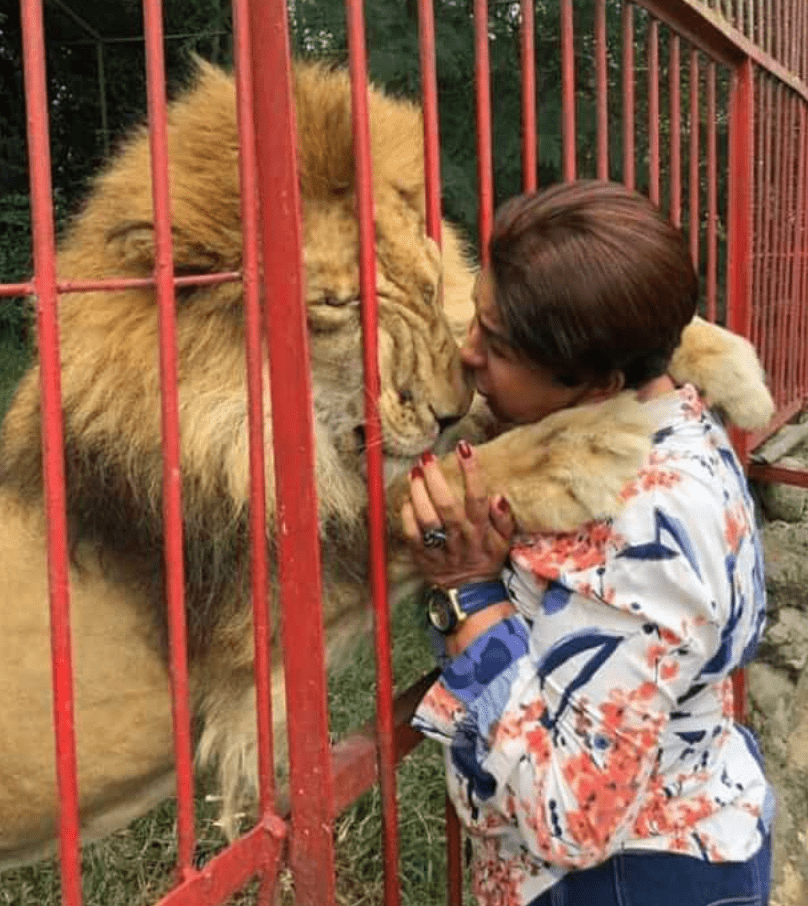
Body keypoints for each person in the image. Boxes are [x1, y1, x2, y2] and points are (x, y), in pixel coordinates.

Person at [402, 181, 773, 906]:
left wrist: (470, 594)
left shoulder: (648, 521)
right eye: (478, 320)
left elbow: (572, 815)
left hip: (630, 881)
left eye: (498, 346)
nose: (466, 355)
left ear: (600, 382)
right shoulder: (672, 418)